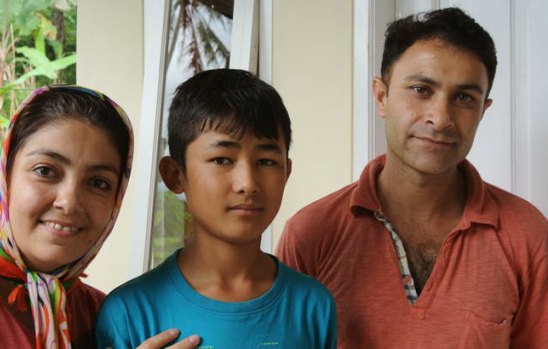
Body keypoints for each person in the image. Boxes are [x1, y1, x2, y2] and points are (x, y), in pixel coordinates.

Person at [276, 7, 548, 349]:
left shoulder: (527, 235)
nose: (440, 117)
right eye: (421, 89)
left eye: (464, 98)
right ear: (381, 96)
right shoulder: (311, 235)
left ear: (483, 110)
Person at [0, 86, 199, 349]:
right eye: (45, 171)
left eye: (98, 182)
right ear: (4, 176)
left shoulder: (103, 314)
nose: (69, 202)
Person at [95, 69, 338, 349]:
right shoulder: (130, 313)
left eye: (267, 161)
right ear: (175, 175)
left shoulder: (313, 306)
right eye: (222, 159)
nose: (247, 184)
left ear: (287, 171)